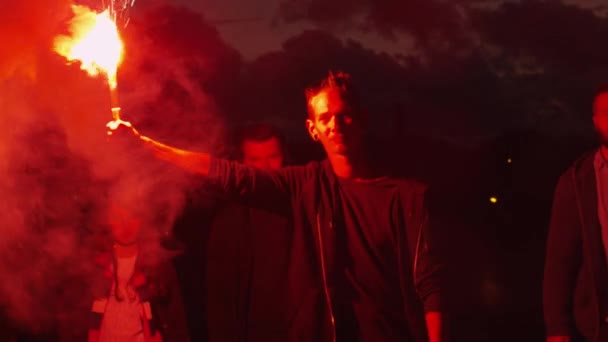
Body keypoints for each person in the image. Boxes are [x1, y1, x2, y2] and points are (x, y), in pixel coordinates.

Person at [121, 71, 445, 341]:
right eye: (325, 118)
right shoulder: (304, 185)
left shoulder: (408, 197)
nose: (336, 125)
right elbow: (231, 175)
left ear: (361, 118)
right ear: (312, 129)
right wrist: (147, 146)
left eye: (344, 114)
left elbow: (431, 285)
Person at [206, 123, 291, 342]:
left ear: (285, 158)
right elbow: (219, 299)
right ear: (242, 163)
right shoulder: (228, 222)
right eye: (255, 160)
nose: (265, 167)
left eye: (273, 157)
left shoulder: (304, 210)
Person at [544, 85, 608, 342]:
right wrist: (557, 329)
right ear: (595, 121)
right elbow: (559, 261)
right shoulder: (576, 181)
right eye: (606, 112)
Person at [85, 203, 190, 342]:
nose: (126, 224)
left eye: (133, 215)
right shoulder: (97, 264)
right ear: (107, 221)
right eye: (118, 217)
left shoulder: (157, 264)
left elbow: (174, 317)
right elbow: (80, 319)